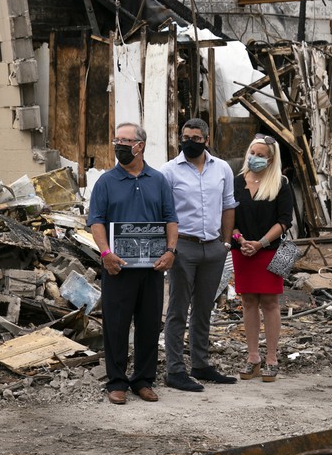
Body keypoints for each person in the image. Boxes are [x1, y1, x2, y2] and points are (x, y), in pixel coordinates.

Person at [88, 122, 178, 405]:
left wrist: (171, 250)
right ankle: (116, 382)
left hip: (152, 268)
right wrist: (105, 254)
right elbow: (96, 222)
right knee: (116, 325)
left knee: (150, 324)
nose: (119, 145)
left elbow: (170, 218)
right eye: (117, 140)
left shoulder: (158, 180)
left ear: (140, 145)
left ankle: (143, 380)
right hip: (117, 267)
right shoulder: (105, 182)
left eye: (126, 141)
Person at [160, 119, 238, 392]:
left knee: (204, 308)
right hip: (183, 246)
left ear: (206, 139)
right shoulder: (169, 171)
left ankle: (201, 365)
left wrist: (226, 244)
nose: (189, 141)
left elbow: (229, 205)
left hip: (213, 247)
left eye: (195, 137)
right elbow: (164, 212)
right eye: (185, 136)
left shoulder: (223, 169)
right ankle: (175, 370)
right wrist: (170, 247)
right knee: (178, 310)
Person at [231, 134, 294, 383]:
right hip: (242, 250)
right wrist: (240, 240)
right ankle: (253, 357)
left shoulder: (281, 183)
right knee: (248, 302)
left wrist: (260, 243)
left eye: (260, 155)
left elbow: (284, 221)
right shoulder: (237, 182)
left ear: (270, 159)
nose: (254, 158)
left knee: (270, 302)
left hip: (271, 251)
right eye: (252, 153)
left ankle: (271, 359)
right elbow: (229, 217)